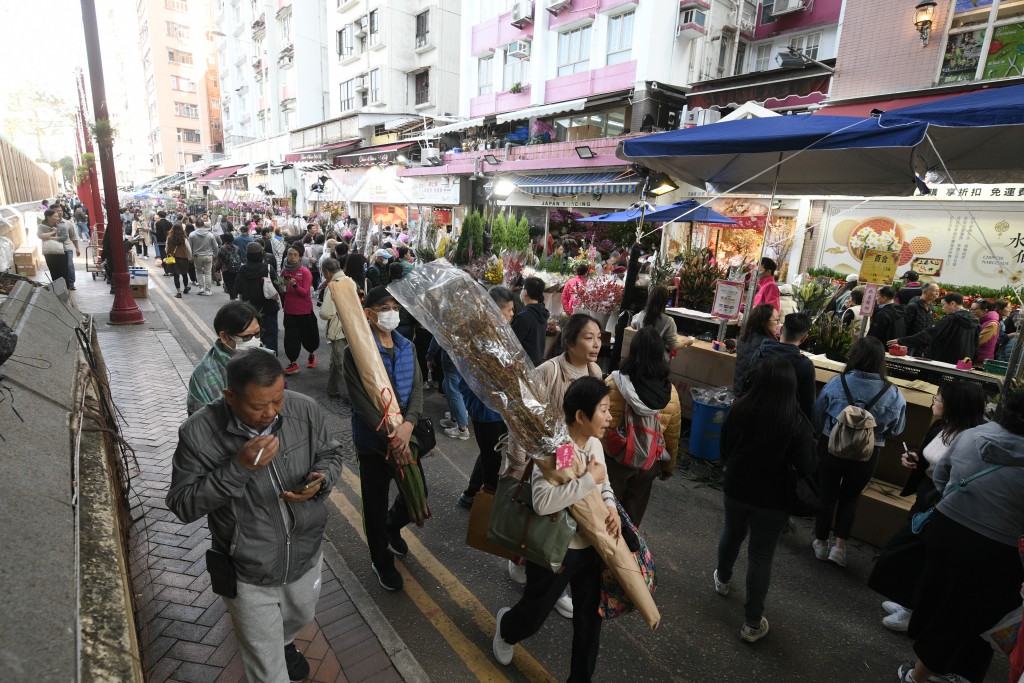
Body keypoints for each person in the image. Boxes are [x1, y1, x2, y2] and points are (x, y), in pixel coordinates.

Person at [166, 351, 343, 683]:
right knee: (267, 672)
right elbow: (182, 504)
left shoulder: (303, 408)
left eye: (277, 400)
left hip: (305, 554)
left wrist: (319, 479)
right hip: (247, 570)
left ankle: (285, 642)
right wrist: (239, 468)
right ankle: (274, 656)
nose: (271, 413)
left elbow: (330, 453)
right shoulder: (198, 432)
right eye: (257, 406)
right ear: (230, 396)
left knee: (301, 614)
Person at [492, 376, 618, 679]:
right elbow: (543, 503)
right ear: (580, 416)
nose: (610, 418)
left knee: (589, 622)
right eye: (603, 410)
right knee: (534, 615)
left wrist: (611, 506)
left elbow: (605, 486)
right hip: (558, 548)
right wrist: (588, 480)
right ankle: (507, 628)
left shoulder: (596, 445)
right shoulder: (556, 450)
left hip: (592, 547)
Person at [896, 389, 1024, 683]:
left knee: (944, 601)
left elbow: (941, 477)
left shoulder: (972, 435)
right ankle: (937, 674)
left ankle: (928, 669)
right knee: (979, 614)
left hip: (947, 529)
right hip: (999, 548)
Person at [868, 382, 987, 633]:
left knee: (920, 554)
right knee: (914, 552)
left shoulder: (972, 439)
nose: (934, 401)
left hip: (945, 503)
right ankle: (908, 603)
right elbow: (927, 455)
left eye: (939, 398)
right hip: (926, 493)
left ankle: (914, 612)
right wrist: (913, 458)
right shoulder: (942, 426)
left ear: (955, 405)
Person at [714, 357, 816, 644]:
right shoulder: (796, 421)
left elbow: (724, 448)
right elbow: (807, 465)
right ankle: (751, 623)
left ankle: (722, 580)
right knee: (761, 556)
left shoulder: (739, 409)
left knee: (731, 534)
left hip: (737, 488)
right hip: (774, 499)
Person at [344, 286, 425, 593]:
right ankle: (381, 561)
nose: (392, 312)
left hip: (407, 436)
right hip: (373, 442)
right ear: (369, 313)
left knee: (416, 495)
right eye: (385, 306)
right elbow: (360, 402)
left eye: (395, 306)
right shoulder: (356, 352)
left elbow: (417, 389)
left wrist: (408, 425)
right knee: (375, 505)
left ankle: (393, 526)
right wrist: (390, 435)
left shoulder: (407, 345)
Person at [812, 337, 906, 567]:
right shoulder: (892, 392)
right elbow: (897, 428)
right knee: (849, 499)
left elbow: (817, 413)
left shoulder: (838, 382)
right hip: (868, 452)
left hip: (831, 446)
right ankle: (840, 548)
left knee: (827, 494)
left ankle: (821, 543)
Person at [603, 326, 681, 522]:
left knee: (607, 513)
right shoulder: (670, 393)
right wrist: (668, 467)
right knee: (632, 516)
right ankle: (628, 550)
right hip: (648, 463)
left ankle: (600, 551)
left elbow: (600, 423)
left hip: (615, 460)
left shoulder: (614, 382)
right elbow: (672, 435)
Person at [456, 287, 516, 509]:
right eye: (509, 310)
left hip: (498, 407)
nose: (512, 315)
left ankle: (471, 493)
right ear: (495, 310)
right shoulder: (478, 336)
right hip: (486, 408)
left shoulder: (498, 333)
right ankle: (485, 506)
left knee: (491, 451)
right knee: (492, 457)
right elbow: (473, 378)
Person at [186, 301, 264, 415]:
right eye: (247, 337)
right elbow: (198, 426)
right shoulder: (203, 376)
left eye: (257, 334)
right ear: (224, 337)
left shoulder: (267, 359)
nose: (254, 341)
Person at [750, 312, 816, 419]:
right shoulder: (805, 366)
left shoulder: (760, 352)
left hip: (751, 415)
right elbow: (808, 405)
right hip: (783, 423)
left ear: (780, 330)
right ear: (804, 338)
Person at [890, 293, 979, 365]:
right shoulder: (975, 321)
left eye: (943, 305)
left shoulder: (950, 319)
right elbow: (976, 344)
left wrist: (901, 341)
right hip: (964, 362)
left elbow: (928, 335)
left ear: (952, 303)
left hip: (944, 361)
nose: (942, 308)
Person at [232, 242, 280, 355]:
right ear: (261, 254)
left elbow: (237, 289)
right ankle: (272, 359)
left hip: (250, 308)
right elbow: (277, 285)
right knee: (271, 334)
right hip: (269, 307)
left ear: (248, 255)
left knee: (252, 336)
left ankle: (256, 360)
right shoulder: (268, 268)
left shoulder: (243, 269)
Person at [280, 245, 320, 375]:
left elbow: (305, 293)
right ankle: (293, 363)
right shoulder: (284, 271)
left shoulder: (305, 272)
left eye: (295, 255)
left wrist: (295, 285)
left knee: (309, 336)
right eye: (290, 254)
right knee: (291, 338)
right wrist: (283, 286)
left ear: (300, 257)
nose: (292, 257)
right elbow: (281, 290)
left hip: (305, 310)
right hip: (290, 310)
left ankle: (311, 354)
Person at [427, 336, 470, 441]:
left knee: (454, 391)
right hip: (460, 358)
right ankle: (454, 418)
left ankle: (462, 429)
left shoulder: (445, 320)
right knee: (447, 386)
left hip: (452, 359)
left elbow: (436, 338)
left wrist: (429, 356)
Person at [732, 304, 780, 394]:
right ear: (764, 322)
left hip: (738, 392)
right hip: (752, 398)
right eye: (776, 320)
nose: (778, 323)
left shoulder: (744, 338)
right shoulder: (768, 345)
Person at [318, 258, 347, 398]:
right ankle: (333, 388)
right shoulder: (349, 280)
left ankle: (341, 391)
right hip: (350, 326)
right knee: (338, 360)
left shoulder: (333, 286)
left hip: (338, 328)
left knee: (339, 361)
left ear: (327, 272)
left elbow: (326, 313)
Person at [630, 285, 679, 363]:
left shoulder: (640, 315)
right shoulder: (668, 321)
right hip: (658, 362)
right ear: (665, 301)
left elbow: (633, 325)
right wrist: (686, 342)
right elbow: (672, 346)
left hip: (639, 357)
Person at [511, 276, 550, 366]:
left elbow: (513, 342)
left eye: (523, 288)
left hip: (526, 363)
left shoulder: (524, 317)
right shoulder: (542, 311)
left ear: (525, 292)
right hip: (537, 360)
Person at [902, 283, 939, 355]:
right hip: (911, 343)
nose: (937, 293)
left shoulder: (931, 307)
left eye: (938, 291)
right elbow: (904, 326)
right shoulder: (913, 306)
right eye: (935, 291)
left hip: (922, 344)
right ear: (925, 291)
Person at [37, 209, 71, 287]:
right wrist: (53, 232)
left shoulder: (61, 226)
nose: (57, 218)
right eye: (55, 216)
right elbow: (40, 236)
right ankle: (57, 288)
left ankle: (66, 287)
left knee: (64, 270)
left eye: (57, 216)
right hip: (49, 252)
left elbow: (64, 238)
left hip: (61, 251)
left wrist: (51, 238)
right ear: (48, 217)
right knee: (53, 270)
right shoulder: (41, 226)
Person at [188, 218, 219, 296]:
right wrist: (215, 255)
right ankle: (208, 290)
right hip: (208, 255)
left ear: (196, 225)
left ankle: (201, 287)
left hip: (197, 256)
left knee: (198, 271)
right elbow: (215, 246)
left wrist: (190, 256)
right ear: (203, 225)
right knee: (208, 273)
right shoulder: (210, 235)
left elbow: (190, 247)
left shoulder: (192, 234)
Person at [165, 222, 193, 298]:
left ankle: (178, 292)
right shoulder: (184, 238)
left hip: (173, 258)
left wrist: (168, 254)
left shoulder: (169, 238)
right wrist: (190, 257)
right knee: (184, 274)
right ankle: (186, 287)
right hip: (183, 258)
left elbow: (166, 248)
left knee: (176, 275)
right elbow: (189, 249)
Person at [216, 233, 243, 300]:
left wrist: (217, 270)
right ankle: (235, 295)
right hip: (237, 268)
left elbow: (219, 260)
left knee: (229, 283)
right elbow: (241, 258)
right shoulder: (237, 248)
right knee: (235, 282)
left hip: (226, 269)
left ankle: (233, 297)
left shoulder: (222, 248)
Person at [154, 211, 173, 275]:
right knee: (169, 254)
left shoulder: (158, 223)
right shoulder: (170, 223)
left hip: (161, 242)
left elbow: (158, 234)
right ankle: (171, 270)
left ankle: (166, 271)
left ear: (159, 216)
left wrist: (152, 232)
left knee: (163, 255)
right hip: (169, 241)